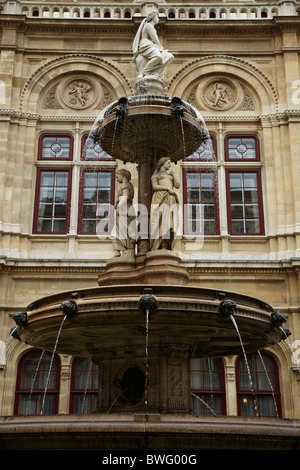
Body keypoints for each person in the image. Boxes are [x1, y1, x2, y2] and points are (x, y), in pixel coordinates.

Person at [132, 10, 174, 79]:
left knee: (170, 57)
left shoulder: (151, 26)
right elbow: (155, 38)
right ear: (153, 17)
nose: (158, 19)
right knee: (158, 57)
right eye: (157, 17)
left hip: (152, 45)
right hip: (146, 45)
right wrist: (160, 47)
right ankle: (144, 72)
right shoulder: (148, 25)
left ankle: (155, 70)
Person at [150, 157, 180, 251]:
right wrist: (167, 189)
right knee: (160, 221)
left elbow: (177, 185)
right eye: (168, 163)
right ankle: (160, 245)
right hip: (160, 197)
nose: (170, 165)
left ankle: (166, 246)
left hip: (170, 198)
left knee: (169, 222)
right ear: (162, 163)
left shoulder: (170, 174)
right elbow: (154, 186)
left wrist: (174, 174)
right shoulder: (156, 175)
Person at [112, 169, 136, 257]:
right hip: (122, 210)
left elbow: (125, 197)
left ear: (123, 176)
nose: (116, 179)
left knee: (124, 230)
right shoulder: (124, 185)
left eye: (117, 176)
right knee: (120, 230)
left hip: (125, 209)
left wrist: (118, 205)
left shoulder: (125, 185)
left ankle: (127, 249)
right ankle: (121, 249)